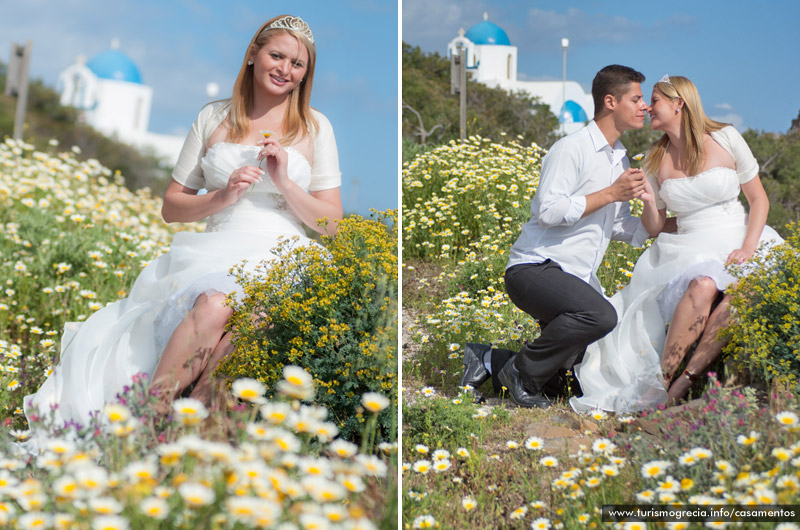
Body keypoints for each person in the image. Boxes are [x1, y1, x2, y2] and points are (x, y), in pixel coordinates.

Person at [23, 15, 343, 433]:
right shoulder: (213, 118)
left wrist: (283, 180)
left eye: (297, 64)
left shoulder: (316, 127)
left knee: (254, 324)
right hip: (218, 248)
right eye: (276, 55)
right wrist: (223, 196)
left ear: (306, 74)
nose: (285, 69)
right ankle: (149, 419)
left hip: (285, 255)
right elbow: (172, 206)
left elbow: (331, 224)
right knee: (213, 304)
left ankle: (193, 433)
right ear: (253, 55)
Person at [570, 75, 782, 413]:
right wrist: (649, 201)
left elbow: (758, 200)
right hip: (687, 245)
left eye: (653, 101)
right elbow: (653, 227)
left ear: (678, 104)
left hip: (738, 235)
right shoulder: (654, 159)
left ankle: (686, 379)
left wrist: (748, 247)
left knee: (743, 295)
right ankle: (662, 381)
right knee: (704, 285)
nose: (646, 108)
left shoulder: (726, 137)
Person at [460, 65, 656, 408]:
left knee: (571, 383)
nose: (645, 106)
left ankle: (487, 360)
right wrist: (611, 193)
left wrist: (668, 223)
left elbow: (622, 226)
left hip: (575, 280)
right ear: (610, 101)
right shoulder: (571, 148)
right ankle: (520, 373)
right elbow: (548, 211)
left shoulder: (622, 159)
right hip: (535, 268)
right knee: (602, 315)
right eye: (636, 98)